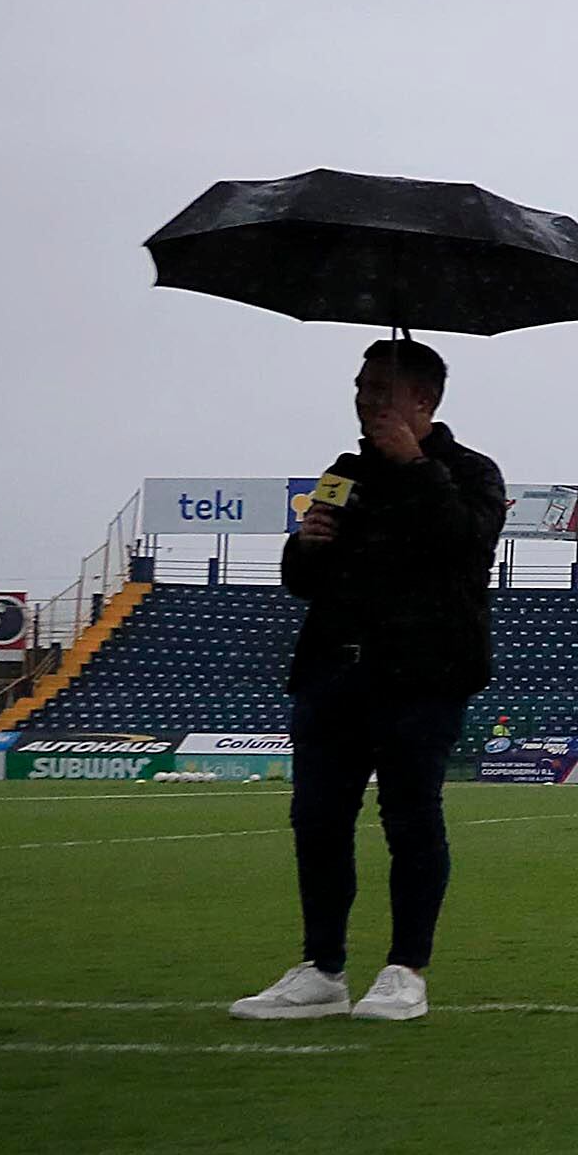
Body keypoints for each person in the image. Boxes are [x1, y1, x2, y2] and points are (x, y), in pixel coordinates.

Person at [233, 338, 505, 1023]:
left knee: (411, 819)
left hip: (423, 676)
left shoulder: (467, 471)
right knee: (317, 821)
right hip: (333, 671)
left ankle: (405, 969)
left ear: (424, 400)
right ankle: (321, 968)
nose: (364, 400)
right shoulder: (345, 471)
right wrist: (305, 544)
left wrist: (414, 466)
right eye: (360, 386)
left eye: (380, 389)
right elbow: (302, 580)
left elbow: (463, 545)